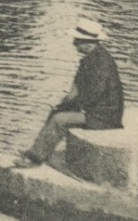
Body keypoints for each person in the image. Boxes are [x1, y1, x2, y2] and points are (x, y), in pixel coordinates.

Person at [18, 18, 124, 166]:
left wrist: (73, 104)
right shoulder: (93, 58)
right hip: (97, 110)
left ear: (89, 43)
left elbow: (94, 94)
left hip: (104, 115)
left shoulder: (101, 63)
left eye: (78, 41)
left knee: (59, 120)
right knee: (55, 112)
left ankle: (34, 160)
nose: (74, 44)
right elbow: (80, 90)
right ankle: (37, 151)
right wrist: (67, 103)